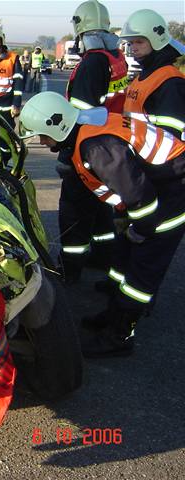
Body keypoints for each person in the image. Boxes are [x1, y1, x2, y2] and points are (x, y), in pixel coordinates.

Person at [20, 91, 185, 357]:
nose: (42, 141)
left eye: (43, 135)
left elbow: (139, 197)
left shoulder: (96, 147)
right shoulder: (86, 128)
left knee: (141, 272)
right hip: (159, 186)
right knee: (124, 257)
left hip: (172, 194)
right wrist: (126, 224)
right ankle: (113, 313)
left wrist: (139, 230)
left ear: (56, 125)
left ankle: (120, 336)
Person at [56, 0, 129, 284]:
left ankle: (70, 269)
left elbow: (80, 113)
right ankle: (102, 256)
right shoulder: (115, 57)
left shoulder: (93, 62)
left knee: (74, 211)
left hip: (86, 149)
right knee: (101, 205)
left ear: (80, 27)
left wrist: (65, 152)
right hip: (110, 147)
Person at [118, 9, 185, 141]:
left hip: (154, 159)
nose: (133, 48)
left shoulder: (170, 82)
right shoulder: (143, 76)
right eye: (131, 43)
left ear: (156, 41)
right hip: (136, 152)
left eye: (139, 42)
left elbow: (171, 140)